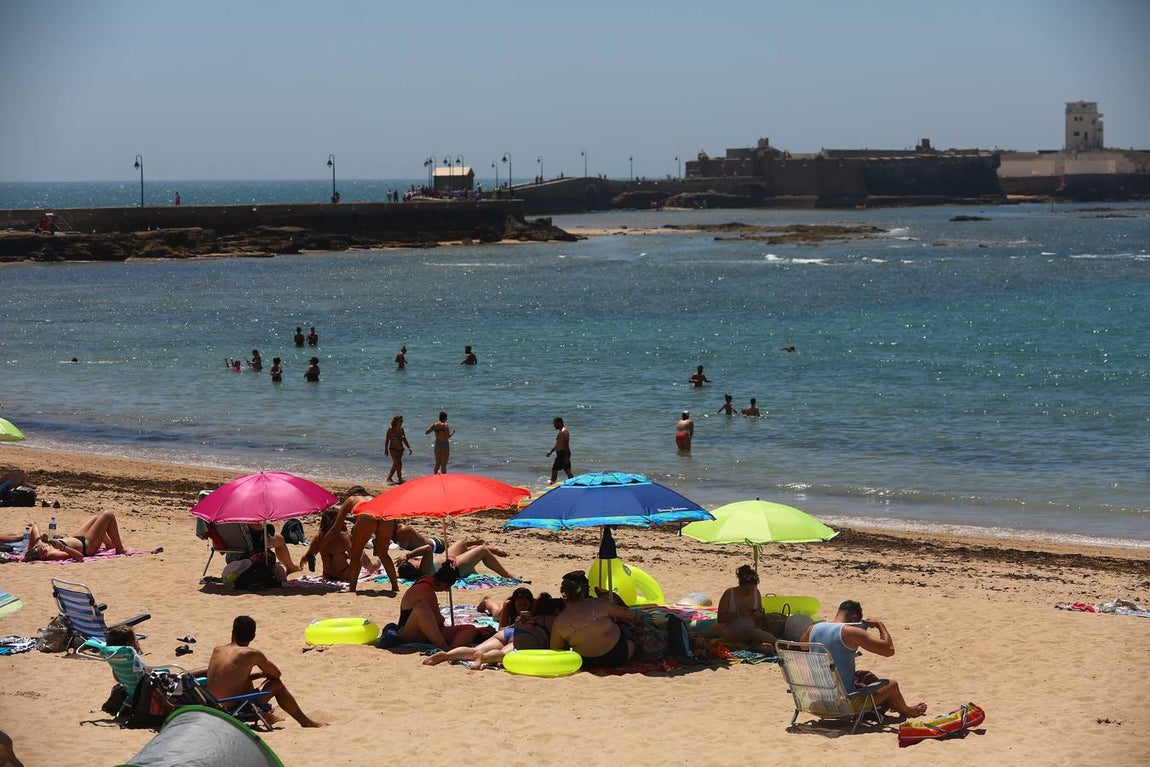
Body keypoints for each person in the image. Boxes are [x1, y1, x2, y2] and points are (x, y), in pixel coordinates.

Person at [807, 600, 928, 719]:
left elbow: (801, 647)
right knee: (892, 685)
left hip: (816, 703)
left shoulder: (812, 629)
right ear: (854, 618)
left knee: (862, 676)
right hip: (842, 705)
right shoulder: (850, 632)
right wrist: (880, 625)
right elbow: (889, 650)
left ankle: (890, 704)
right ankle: (908, 710)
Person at [206, 615, 327, 727]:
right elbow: (276, 674)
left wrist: (258, 675)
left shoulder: (217, 650)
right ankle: (306, 722)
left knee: (245, 679)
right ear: (253, 636)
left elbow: (229, 675)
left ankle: (268, 716)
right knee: (276, 684)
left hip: (212, 705)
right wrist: (263, 674)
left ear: (233, 633)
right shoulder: (250, 653)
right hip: (230, 708)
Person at [424, 592, 563, 669]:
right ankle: (482, 658)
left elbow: (510, 627)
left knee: (474, 650)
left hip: (507, 632)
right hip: (523, 638)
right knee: (502, 655)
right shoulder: (556, 620)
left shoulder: (532, 615)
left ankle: (446, 655)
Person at [302, 487, 399, 594]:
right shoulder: (373, 498)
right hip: (385, 516)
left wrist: (319, 547)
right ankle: (395, 586)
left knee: (355, 555)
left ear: (352, 494)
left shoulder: (352, 499)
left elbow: (335, 529)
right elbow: (387, 520)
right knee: (384, 554)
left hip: (366, 516)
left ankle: (352, 588)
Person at [551, 570, 637, 669]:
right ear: (583, 591)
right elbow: (630, 614)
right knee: (629, 633)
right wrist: (611, 598)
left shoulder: (559, 622)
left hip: (586, 662)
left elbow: (555, 651)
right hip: (618, 656)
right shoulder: (599, 603)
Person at [396, 564, 479, 649]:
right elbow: (438, 619)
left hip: (423, 632)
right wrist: (442, 619)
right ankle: (444, 647)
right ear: (444, 584)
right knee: (422, 608)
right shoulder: (425, 589)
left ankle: (453, 648)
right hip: (408, 634)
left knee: (470, 628)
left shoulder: (425, 579)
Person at [395, 533, 519, 580]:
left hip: (446, 558)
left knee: (461, 543)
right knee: (483, 550)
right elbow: (427, 549)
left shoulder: (420, 567)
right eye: (412, 561)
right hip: (457, 566)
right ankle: (506, 574)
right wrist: (407, 555)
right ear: (412, 567)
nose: (413, 559)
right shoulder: (424, 569)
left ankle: (475, 548)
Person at [714, 565, 775, 653]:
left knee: (756, 636)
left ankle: (761, 646)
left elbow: (760, 618)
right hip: (731, 632)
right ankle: (779, 643)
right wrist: (738, 614)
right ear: (740, 585)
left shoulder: (756, 593)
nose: (749, 592)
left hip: (753, 631)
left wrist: (758, 615)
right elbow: (720, 619)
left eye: (752, 589)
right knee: (749, 632)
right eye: (746, 590)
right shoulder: (729, 594)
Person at [23, 511, 128, 561]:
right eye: (42, 553)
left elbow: (34, 525)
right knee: (108, 515)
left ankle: (109, 544)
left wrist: (38, 540)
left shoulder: (37, 546)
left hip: (75, 537)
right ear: (40, 559)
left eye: (39, 549)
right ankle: (120, 549)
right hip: (87, 545)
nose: (43, 550)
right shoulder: (54, 555)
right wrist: (63, 547)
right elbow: (79, 557)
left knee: (97, 517)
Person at [385, 415, 412, 484]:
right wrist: (386, 449)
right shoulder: (391, 429)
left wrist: (409, 447)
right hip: (393, 449)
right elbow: (387, 439)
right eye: (400, 421)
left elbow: (404, 439)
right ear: (395, 421)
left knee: (395, 464)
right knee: (399, 464)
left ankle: (389, 478)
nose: (401, 422)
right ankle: (400, 479)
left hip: (400, 449)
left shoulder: (401, 429)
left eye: (402, 421)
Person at [547, 417, 573, 483]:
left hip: (562, 454)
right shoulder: (562, 432)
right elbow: (558, 445)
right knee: (567, 471)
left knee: (554, 470)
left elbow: (566, 445)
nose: (554, 425)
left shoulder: (564, 432)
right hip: (561, 454)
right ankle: (573, 483)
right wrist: (551, 452)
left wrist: (566, 456)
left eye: (555, 424)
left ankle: (551, 484)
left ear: (559, 423)